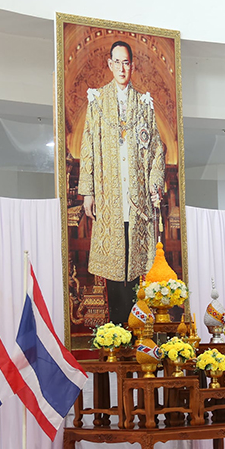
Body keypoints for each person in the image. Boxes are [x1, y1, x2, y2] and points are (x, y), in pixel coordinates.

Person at [78, 40, 165, 324]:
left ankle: (139, 329)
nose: (122, 68)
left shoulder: (144, 103)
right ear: (109, 64)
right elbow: (88, 146)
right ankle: (117, 331)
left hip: (137, 198)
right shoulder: (98, 101)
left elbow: (156, 150)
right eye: (117, 62)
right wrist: (88, 193)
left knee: (136, 265)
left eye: (127, 62)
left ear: (132, 65)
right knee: (116, 264)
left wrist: (154, 187)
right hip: (110, 195)